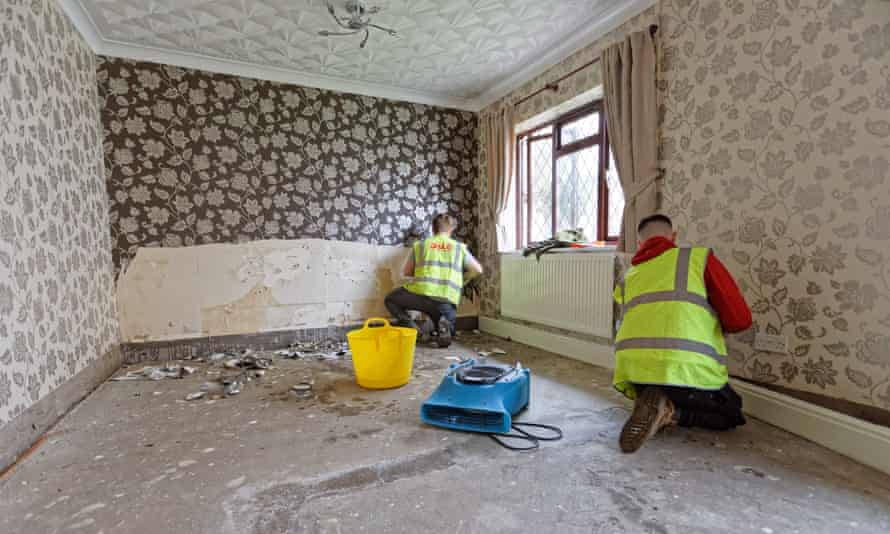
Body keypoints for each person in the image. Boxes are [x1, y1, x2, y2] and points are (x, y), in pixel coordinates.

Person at [614, 214, 752, 453]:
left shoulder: (628, 277)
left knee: (664, 382)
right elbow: (740, 320)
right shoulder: (696, 259)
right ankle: (671, 412)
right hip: (686, 371)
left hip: (635, 373)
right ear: (673, 236)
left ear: (639, 244)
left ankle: (652, 398)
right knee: (732, 413)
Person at [385, 214, 483, 348]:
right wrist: (462, 280)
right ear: (451, 229)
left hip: (420, 294)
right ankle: (443, 327)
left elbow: (406, 272)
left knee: (390, 299)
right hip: (445, 298)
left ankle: (414, 329)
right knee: (445, 326)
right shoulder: (459, 248)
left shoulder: (420, 245)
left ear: (433, 228)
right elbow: (477, 270)